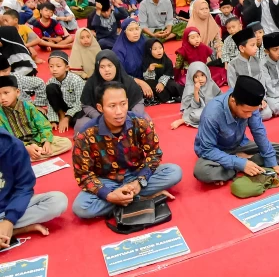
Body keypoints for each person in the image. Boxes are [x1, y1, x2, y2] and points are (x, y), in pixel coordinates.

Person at [72, 81, 182, 219]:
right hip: (107, 180)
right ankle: (140, 197)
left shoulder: (141, 122)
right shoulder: (86, 134)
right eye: (112, 106)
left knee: (174, 171)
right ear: (100, 107)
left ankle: (126, 197)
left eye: (123, 104)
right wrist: (109, 195)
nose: (119, 111)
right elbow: (83, 174)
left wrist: (140, 181)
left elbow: (154, 154)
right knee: (81, 208)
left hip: (137, 173)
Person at [193, 75, 279, 186]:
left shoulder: (249, 104)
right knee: (203, 172)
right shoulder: (212, 114)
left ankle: (236, 167)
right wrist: (240, 163)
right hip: (216, 150)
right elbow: (207, 149)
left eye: (252, 112)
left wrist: (273, 164)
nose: (249, 116)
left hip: (240, 144)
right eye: (246, 111)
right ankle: (244, 163)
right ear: (233, 101)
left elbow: (258, 131)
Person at [0, 127, 68, 249]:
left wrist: (9, 220)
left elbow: (24, 186)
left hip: (9, 206)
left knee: (57, 201)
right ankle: (20, 229)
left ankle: (7, 229)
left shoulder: (13, 146)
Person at [0, 75, 73, 161]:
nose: (2, 98)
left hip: (36, 140)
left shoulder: (29, 107)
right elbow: (6, 138)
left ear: (17, 92)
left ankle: (30, 157)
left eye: (6, 93)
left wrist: (46, 141)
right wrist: (25, 147)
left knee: (66, 143)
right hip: (16, 146)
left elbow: (43, 126)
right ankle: (34, 154)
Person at [75, 50, 147, 133]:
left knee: (144, 121)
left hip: (125, 115)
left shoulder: (127, 81)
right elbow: (86, 105)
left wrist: (127, 116)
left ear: (116, 65)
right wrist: (100, 118)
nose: (106, 70)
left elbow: (138, 101)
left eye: (110, 65)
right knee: (81, 126)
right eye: (102, 67)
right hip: (99, 117)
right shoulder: (92, 82)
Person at [171, 62, 222, 129]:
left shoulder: (211, 84)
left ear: (207, 74)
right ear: (192, 78)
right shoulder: (190, 88)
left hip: (212, 108)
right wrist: (196, 91)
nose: (200, 79)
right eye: (196, 77)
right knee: (196, 115)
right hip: (198, 110)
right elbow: (194, 106)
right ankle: (184, 120)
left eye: (202, 75)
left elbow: (221, 97)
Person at [45, 50, 85, 133]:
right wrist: (53, 120)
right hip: (62, 107)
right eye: (51, 66)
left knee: (76, 122)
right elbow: (50, 102)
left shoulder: (76, 80)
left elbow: (80, 103)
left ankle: (66, 118)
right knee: (50, 88)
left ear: (67, 67)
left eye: (58, 66)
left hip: (75, 107)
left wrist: (68, 117)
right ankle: (60, 115)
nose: (54, 69)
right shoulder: (50, 81)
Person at [142, 38, 183, 104]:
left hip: (165, 80)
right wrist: (150, 70)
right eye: (155, 49)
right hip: (154, 82)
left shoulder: (166, 60)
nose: (159, 51)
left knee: (174, 85)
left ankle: (181, 96)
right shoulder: (146, 61)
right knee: (151, 85)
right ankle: (167, 98)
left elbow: (168, 74)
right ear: (149, 50)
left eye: (160, 48)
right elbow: (147, 78)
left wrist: (162, 83)